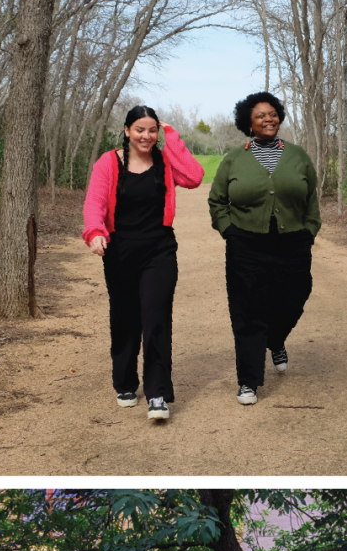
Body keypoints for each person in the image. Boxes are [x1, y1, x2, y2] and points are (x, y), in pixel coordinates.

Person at [83, 105, 204, 420]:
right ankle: (124, 382)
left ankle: (158, 394)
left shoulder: (164, 161)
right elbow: (95, 201)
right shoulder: (109, 163)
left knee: (156, 318)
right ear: (127, 131)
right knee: (125, 319)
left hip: (159, 251)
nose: (147, 136)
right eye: (140, 130)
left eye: (152, 130)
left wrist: (172, 137)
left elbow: (194, 177)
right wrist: (95, 232)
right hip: (119, 251)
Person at [208, 92, 320, 405]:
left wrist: (310, 230)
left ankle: (276, 338)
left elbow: (311, 197)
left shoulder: (297, 156)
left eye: (272, 113)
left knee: (295, 296)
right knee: (247, 309)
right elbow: (217, 200)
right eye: (260, 115)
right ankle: (248, 380)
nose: (268, 119)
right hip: (245, 242)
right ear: (248, 123)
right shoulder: (233, 158)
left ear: (279, 117)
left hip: (292, 241)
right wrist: (228, 230)